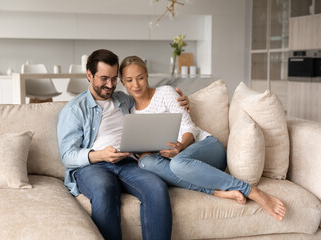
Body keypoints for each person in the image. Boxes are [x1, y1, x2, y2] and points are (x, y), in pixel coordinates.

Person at [118, 55, 287, 222]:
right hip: (179, 165)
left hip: (206, 147)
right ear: (122, 81)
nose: (136, 85)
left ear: (147, 75)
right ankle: (216, 191)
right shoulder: (131, 111)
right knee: (146, 163)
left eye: (140, 78)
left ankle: (252, 191)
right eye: (130, 80)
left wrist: (180, 146)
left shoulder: (165, 93)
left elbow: (188, 127)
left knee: (178, 164)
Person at [57, 49, 189, 240]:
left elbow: (151, 101)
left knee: (156, 187)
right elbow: (67, 156)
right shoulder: (74, 110)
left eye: (113, 78)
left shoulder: (123, 100)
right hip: (94, 166)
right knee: (104, 190)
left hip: (128, 163)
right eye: (104, 78)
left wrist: (185, 102)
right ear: (89, 75)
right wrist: (101, 155)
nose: (110, 85)